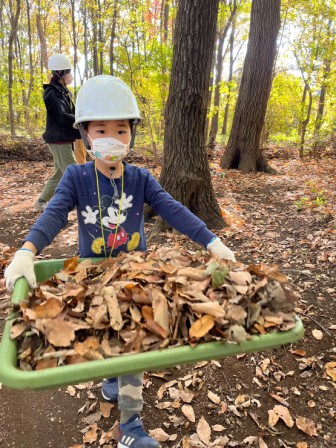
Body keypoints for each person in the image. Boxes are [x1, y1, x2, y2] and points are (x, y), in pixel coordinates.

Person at [5, 75, 236, 448]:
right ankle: (111, 380)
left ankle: (129, 429)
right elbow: (54, 215)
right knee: (107, 338)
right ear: (85, 135)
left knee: (133, 349)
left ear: (131, 134)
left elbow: (172, 209)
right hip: (94, 280)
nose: (112, 138)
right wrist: (27, 250)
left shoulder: (141, 179)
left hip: (135, 280)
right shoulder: (76, 177)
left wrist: (211, 240)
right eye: (101, 130)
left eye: (121, 130)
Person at [34, 53, 81, 211]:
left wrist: (84, 118)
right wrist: (80, 121)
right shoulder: (52, 93)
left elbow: (73, 111)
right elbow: (62, 117)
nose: (71, 75)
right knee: (74, 173)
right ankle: (80, 201)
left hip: (63, 138)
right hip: (59, 140)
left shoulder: (63, 91)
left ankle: (41, 202)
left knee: (59, 174)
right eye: (68, 71)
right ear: (60, 74)